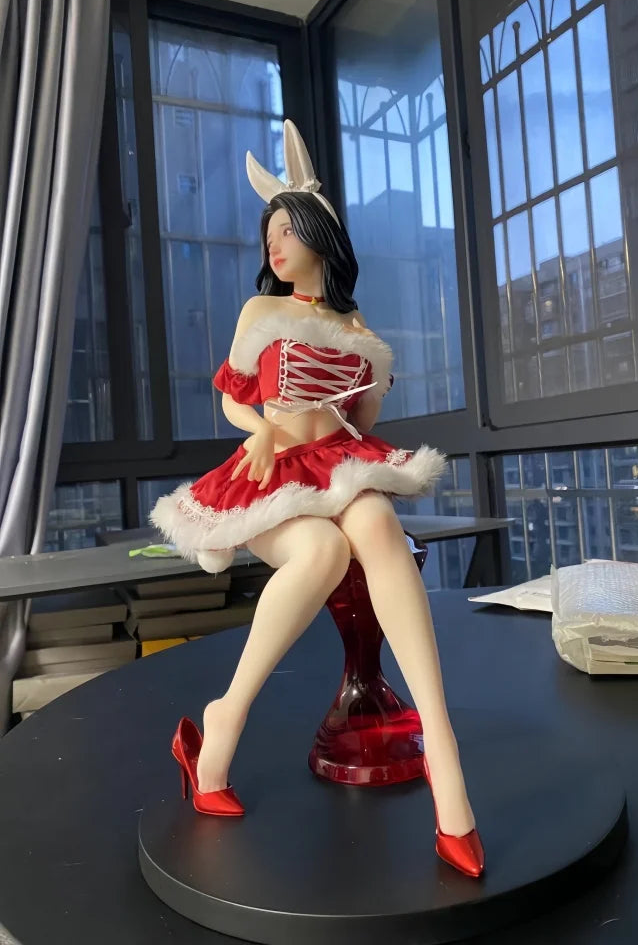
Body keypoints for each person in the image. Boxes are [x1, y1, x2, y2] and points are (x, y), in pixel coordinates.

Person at [151, 120, 484, 878]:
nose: (273, 243)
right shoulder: (259, 313)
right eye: (268, 232)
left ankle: (444, 754)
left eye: (286, 228)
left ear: (319, 234)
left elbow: (362, 417)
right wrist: (264, 428)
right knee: (325, 550)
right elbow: (231, 397)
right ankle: (224, 719)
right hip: (271, 473)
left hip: (339, 460)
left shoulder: (356, 327)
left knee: (375, 521)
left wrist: (371, 389)